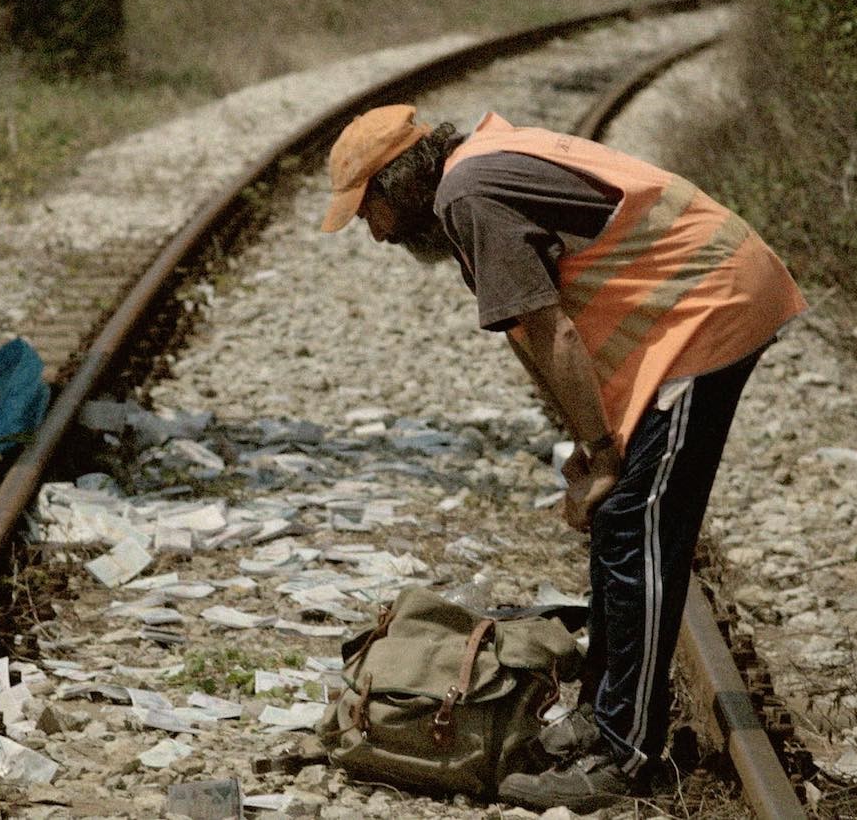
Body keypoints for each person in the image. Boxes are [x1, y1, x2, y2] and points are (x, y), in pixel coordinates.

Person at [320, 105, 806, 812]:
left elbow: (553, 334)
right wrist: (591, 448)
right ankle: (599, 714)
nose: (375, 232)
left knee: (638, 525)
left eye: (371, 210)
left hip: (709, 306)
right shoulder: (474, 171)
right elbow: (532, 329)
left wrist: (604, 455)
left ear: (400, 183)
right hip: (696, 303)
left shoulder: (468, 196)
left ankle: (624, 751)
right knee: (619, 520)